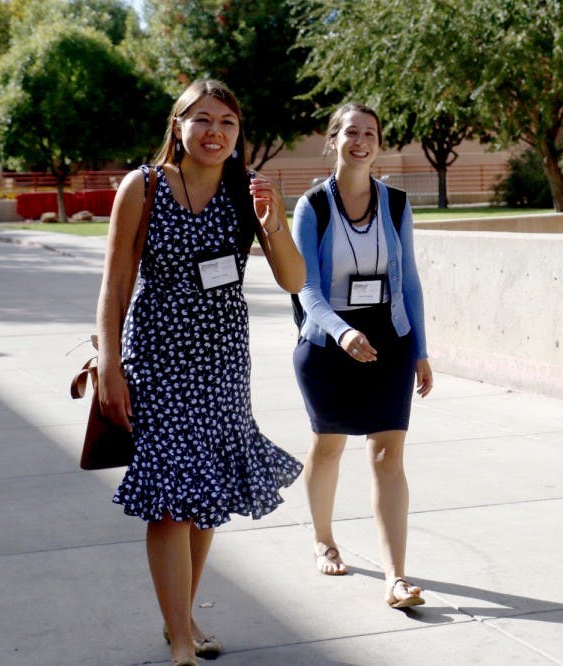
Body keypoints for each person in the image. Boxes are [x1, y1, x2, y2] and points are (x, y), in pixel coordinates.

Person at [95, 79, 306, 666]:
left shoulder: (248, 191)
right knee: (170, 501)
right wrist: (110, 365)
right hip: (157, 361)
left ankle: (180, 618)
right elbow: (115, 285)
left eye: (228, 123)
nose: (215, 132)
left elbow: (293, 280)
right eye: (203, 119)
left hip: (220, 362)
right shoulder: (142, 187)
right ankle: (183, 644)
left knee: (205, 494)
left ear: (239, 134)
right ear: (178, 124)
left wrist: (275, 220)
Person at [292, 103, 433, 609]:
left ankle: (396, 576)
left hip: (389, 338)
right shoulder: (313, 206)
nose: (361, 141)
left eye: (370, 133)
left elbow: (410, 280)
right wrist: (342, 332)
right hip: (328, 341)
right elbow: (306, 288)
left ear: (378, 143)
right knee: (328, 447)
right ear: (333, 140)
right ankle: (322, 538)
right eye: (351, 132)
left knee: (387, 454)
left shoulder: (395, 204)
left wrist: (420, 349)